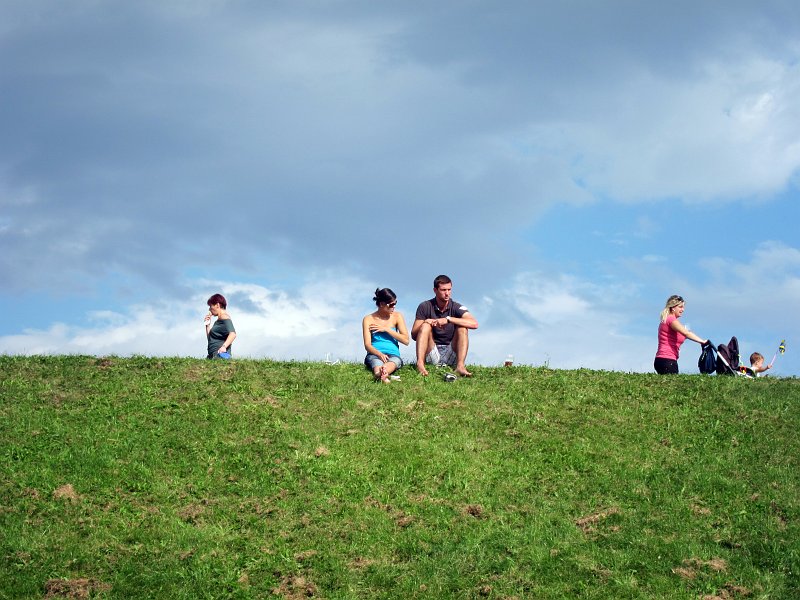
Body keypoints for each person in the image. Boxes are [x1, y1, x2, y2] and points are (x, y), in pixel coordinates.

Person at [412, 274, 478, 377]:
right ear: (435, 290)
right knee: (425, 326)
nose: (447, 293)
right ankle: (420, 364)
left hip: (451, 350)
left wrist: (448, 319)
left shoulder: (456, 307)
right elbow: (414, 335)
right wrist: (427, 322)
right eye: (443, 290)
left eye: (449, 289)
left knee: (462, 327)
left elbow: (474, 324)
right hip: (432, 350)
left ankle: (460, 366)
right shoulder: (424, 306)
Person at [362, 288, 409, 383]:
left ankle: (383, 373)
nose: (394, 307)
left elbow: (406, 340)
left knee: (394, 362)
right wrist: (379, 354)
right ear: (382, 304)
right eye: (391, 304)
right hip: (375, 354)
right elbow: (367, 345)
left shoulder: (397, 316)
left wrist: (387, 329)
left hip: (393, 354)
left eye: (395, 303)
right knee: (376, 363)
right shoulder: (368, 319)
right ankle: (380, 374)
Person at [654, 294, 707, 374]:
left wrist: (700, 340)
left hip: (665, 360)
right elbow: (686, 333)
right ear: (673, 308)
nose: (683, 310)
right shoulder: (671, 319)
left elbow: (687, 333)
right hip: (667, 360)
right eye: (680, 307)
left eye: (683, 307)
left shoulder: (671, 321)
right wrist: (702, 341)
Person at [204, 293, 237, 359]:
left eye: (210, 306)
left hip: (219, 356)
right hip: (212, 356)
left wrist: (224, 346)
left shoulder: (224, 317)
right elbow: (211, 339)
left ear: (217, 305)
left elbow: (233, 334)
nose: (209, 309)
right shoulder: (219, 320)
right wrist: (208, 326)